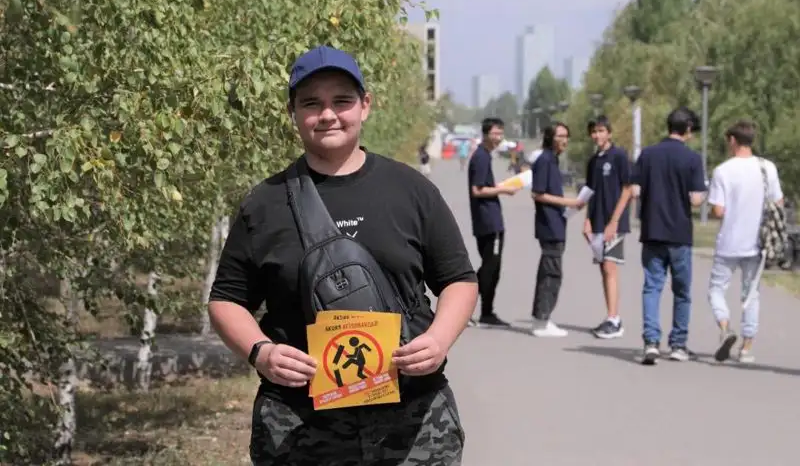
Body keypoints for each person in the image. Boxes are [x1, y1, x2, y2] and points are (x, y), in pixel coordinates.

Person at [208, 45, 478, 465]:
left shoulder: (411, 190)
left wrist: (438, 340)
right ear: (292, 113)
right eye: (311, 103)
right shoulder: (264, 204)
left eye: (342, 101)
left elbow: (459, 279)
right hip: (299, 427)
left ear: (365, 106)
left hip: (414, 422)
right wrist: (261, 352)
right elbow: (226, 299)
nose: (328, 114)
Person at [611, 107, 707, 365]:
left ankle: (651, 342)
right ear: (687, 128)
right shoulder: (692, 159)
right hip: (679, 233)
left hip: (652, 231)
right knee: (682, 291)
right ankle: (678, 344)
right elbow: (696, 200)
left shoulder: (648, 155)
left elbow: (635, 190)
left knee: (652, 287)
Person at [706, 120, 783, 364]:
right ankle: (747, 348)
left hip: (729, 241)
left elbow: (718, 211)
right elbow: (778, 202)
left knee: (716, 290)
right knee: (751, 294)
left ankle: (726, 327)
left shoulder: (722, 171)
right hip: (758, 243)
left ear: (732, 140)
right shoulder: (767, 167)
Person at [530, 122, 586, 337]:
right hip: (549, 225)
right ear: (550, 137)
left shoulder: (552, 160)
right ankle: (541, 321)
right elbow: (538, 193)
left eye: (566, 136)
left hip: (556, 224)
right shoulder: (544, 160)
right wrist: (568, 202)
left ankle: (543, 317)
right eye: (560, 135)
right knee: (551, 273)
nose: (565, 140)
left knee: (551, 271)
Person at [467, 117, 520, 327]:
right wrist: (504, 190)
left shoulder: (484, 156)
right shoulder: (481, 157)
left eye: (501, 133)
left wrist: (499, 186)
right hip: (489, 223)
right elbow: (477, 190)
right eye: (495, 133)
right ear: (486, 133)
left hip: (487, 220)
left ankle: (487, 312)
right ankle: (467, 304)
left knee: (492, 267)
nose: (498, 138)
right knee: (490, 266)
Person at [583, 116, 632, 339]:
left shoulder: (619, 156)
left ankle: (615, 319)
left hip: (614, 223)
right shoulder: (593, 161)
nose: (597, 135)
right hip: (598, 222)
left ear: (609, 133)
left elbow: (627, 189)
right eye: (594, 131)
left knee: (610, 268)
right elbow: (589, 192)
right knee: (604, 268)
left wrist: (614, 222)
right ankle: (610, 316)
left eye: (601, 130)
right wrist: (587, 220)